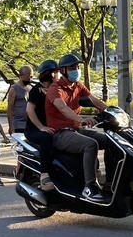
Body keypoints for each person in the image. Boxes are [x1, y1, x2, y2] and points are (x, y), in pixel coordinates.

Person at [45, 53, 108, 202]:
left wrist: (111, 112)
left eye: (78, 67)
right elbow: (63, 108)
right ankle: (90, 187)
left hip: (76, 130)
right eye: (73, 67)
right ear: (63, 70)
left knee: (110, 140)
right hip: (60, 133)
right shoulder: (55, 88)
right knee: (90, 145)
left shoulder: (78, 85)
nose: (77, 70)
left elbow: (94, 100)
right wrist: (82, 119)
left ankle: (110, 181)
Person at [25, 60, 60, 191]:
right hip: (34, 130)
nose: (58, 76)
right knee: (47, 137)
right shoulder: (36, 90)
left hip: (51, 126)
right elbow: (29, 110)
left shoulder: (55, 90)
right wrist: (41, 127)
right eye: (56, 73)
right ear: (49, 74)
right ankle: (44, 174)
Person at [7, 65, 33, 135]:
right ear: (20, 76)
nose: (30, 79)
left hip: (30, 124)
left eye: (31, 77)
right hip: (18, 124)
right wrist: (11, 126)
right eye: (28, 77)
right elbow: (10, 109)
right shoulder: (14, 89)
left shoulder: (30, 88)